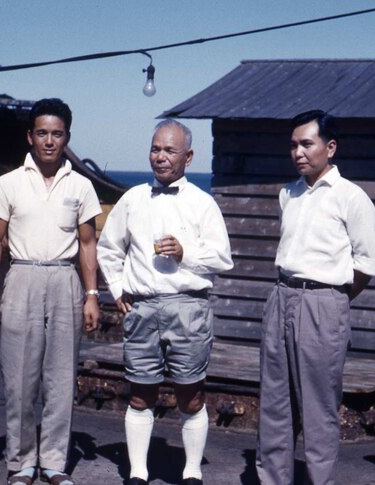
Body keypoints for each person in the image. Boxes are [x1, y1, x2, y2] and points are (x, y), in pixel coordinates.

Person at [97, 119, 233, 485]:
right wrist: (117, 289)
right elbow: (109, 248)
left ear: (188, 156)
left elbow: (223, 258)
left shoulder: (203, 204)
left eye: (169, 150)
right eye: (155, 149)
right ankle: (138, 473)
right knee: (140, 393)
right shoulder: (132, 199)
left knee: (190, 394)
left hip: (188, 308)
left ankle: (191, 471)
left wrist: (186, 252)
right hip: (141, 308)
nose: (160, 157)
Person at [256, 110, 375, 485]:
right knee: (275, 407)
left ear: (330, 147)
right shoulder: (289, 193)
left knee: (318, 411)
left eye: (307, 144)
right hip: (281, 298)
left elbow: (368, 260)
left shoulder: (351, 197)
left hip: (324, 304)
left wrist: (334, 299)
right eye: (293, 145)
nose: (298, 152)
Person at [0, 98, 101, 485]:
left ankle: (52, 462)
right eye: (42, 133)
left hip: (65, 280)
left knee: (62, 377)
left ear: (67, 137)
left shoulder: (80, 185)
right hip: (23, 277)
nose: (49, 141)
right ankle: (21, 462)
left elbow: (87, 244)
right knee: (19, 378)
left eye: (57, 133)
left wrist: (92, 295)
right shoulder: (9, 183)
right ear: (30, 136)